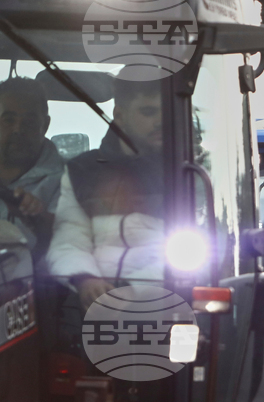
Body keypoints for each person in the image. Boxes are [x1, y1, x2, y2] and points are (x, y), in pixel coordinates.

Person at [47, 76, 163, 309]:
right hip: (92, 305)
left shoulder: (188, 173)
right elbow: (69, 238)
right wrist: (85, 279)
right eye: (148, 112)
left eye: (167, 112)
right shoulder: (82, 171)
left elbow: (196, 252)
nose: (161, 121)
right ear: (119, 115)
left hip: (164, 303)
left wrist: (132, 290)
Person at [0, 77, 65, 266]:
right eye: (8, 120)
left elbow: (71, 247)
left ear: (45, 125)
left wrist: (39, 219)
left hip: (38, 282)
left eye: (29, 121)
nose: (18, 129)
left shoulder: (68, 182)